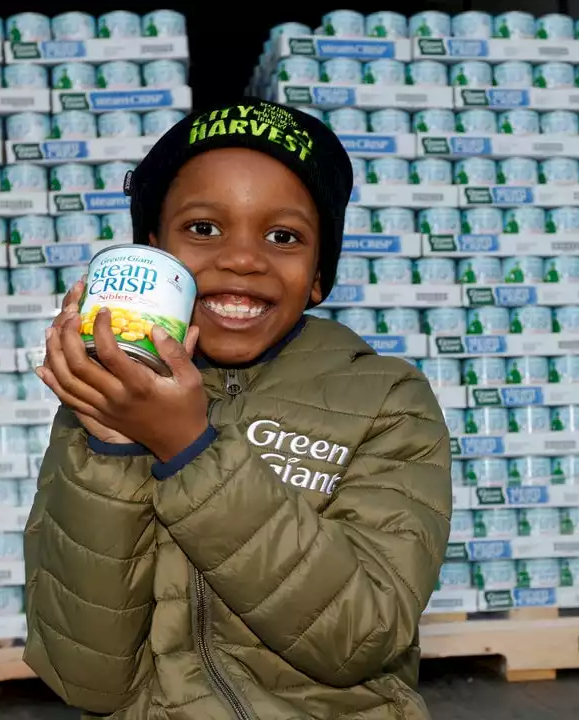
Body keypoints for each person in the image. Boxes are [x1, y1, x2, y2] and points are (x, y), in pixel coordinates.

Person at [24, 98, 453, 719]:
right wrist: (114, 447)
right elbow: (86, 678)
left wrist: (191, 452)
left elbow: (361, 637)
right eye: (203, 228)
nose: (244, 258)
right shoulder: (106, 406)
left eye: (284, 236)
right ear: (154, 253)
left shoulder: (386, 400)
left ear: (317, 275)